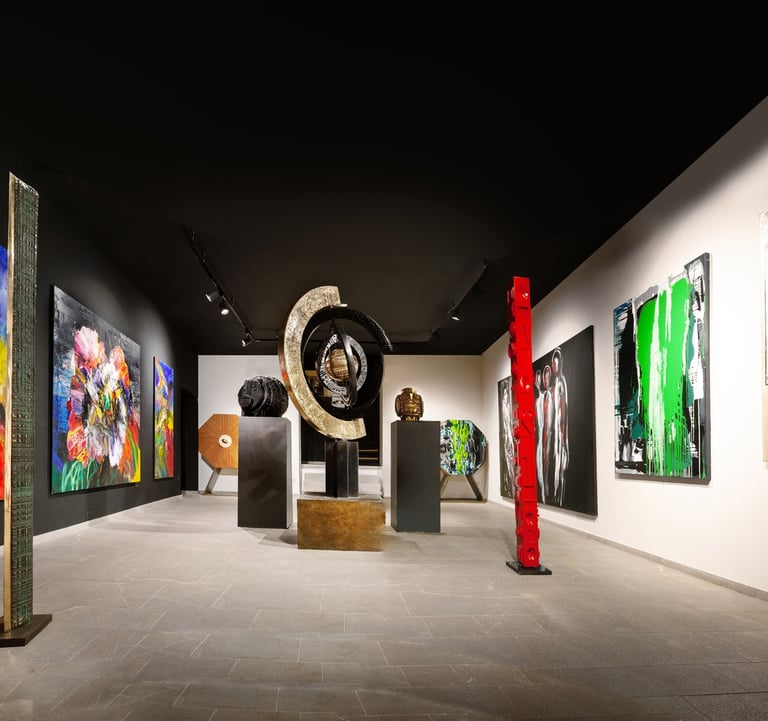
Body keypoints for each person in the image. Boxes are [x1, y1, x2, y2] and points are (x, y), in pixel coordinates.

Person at [551, 348, 569, 506]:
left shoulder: (561, 383)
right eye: (554, 364)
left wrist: (562, 433)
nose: (555, 367)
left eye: (557, 364)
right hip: (555, 431)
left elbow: (564, 408)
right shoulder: (554, 387)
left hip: (561, 430)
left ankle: (560, 493)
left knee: (562, 461)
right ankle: (557, 493)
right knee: (556, 461)